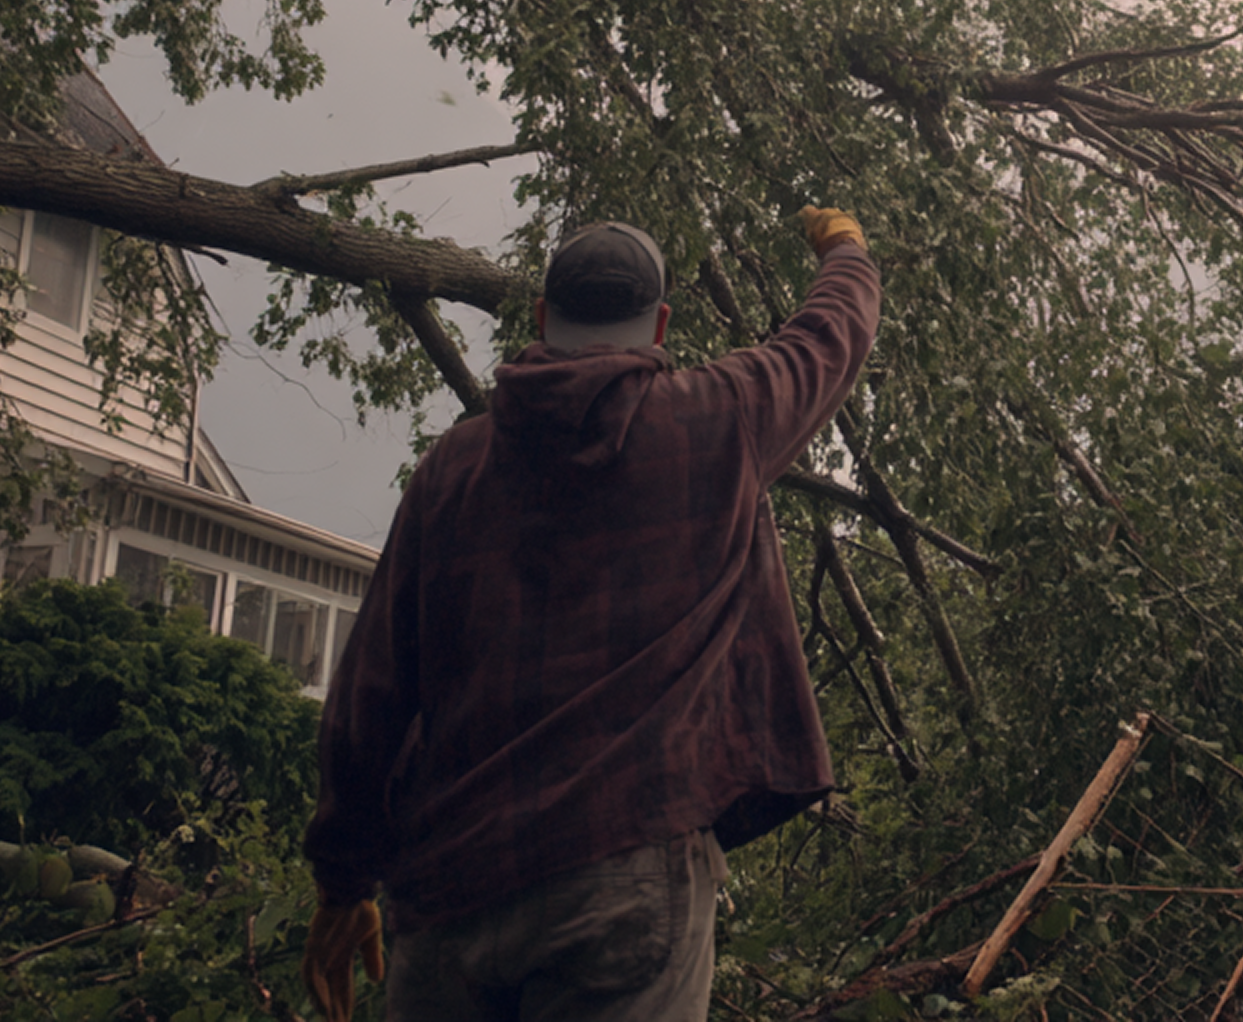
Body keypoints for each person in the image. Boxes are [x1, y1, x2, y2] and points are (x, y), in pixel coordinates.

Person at [302, 207, 880, 1022]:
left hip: (449, 894)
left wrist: (342, 881)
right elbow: (831, 337)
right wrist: (845, 249)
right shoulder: (715, 420)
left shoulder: (452, 470)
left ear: (541, 320)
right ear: (660, 327)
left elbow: (370, 694)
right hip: (625, 880)